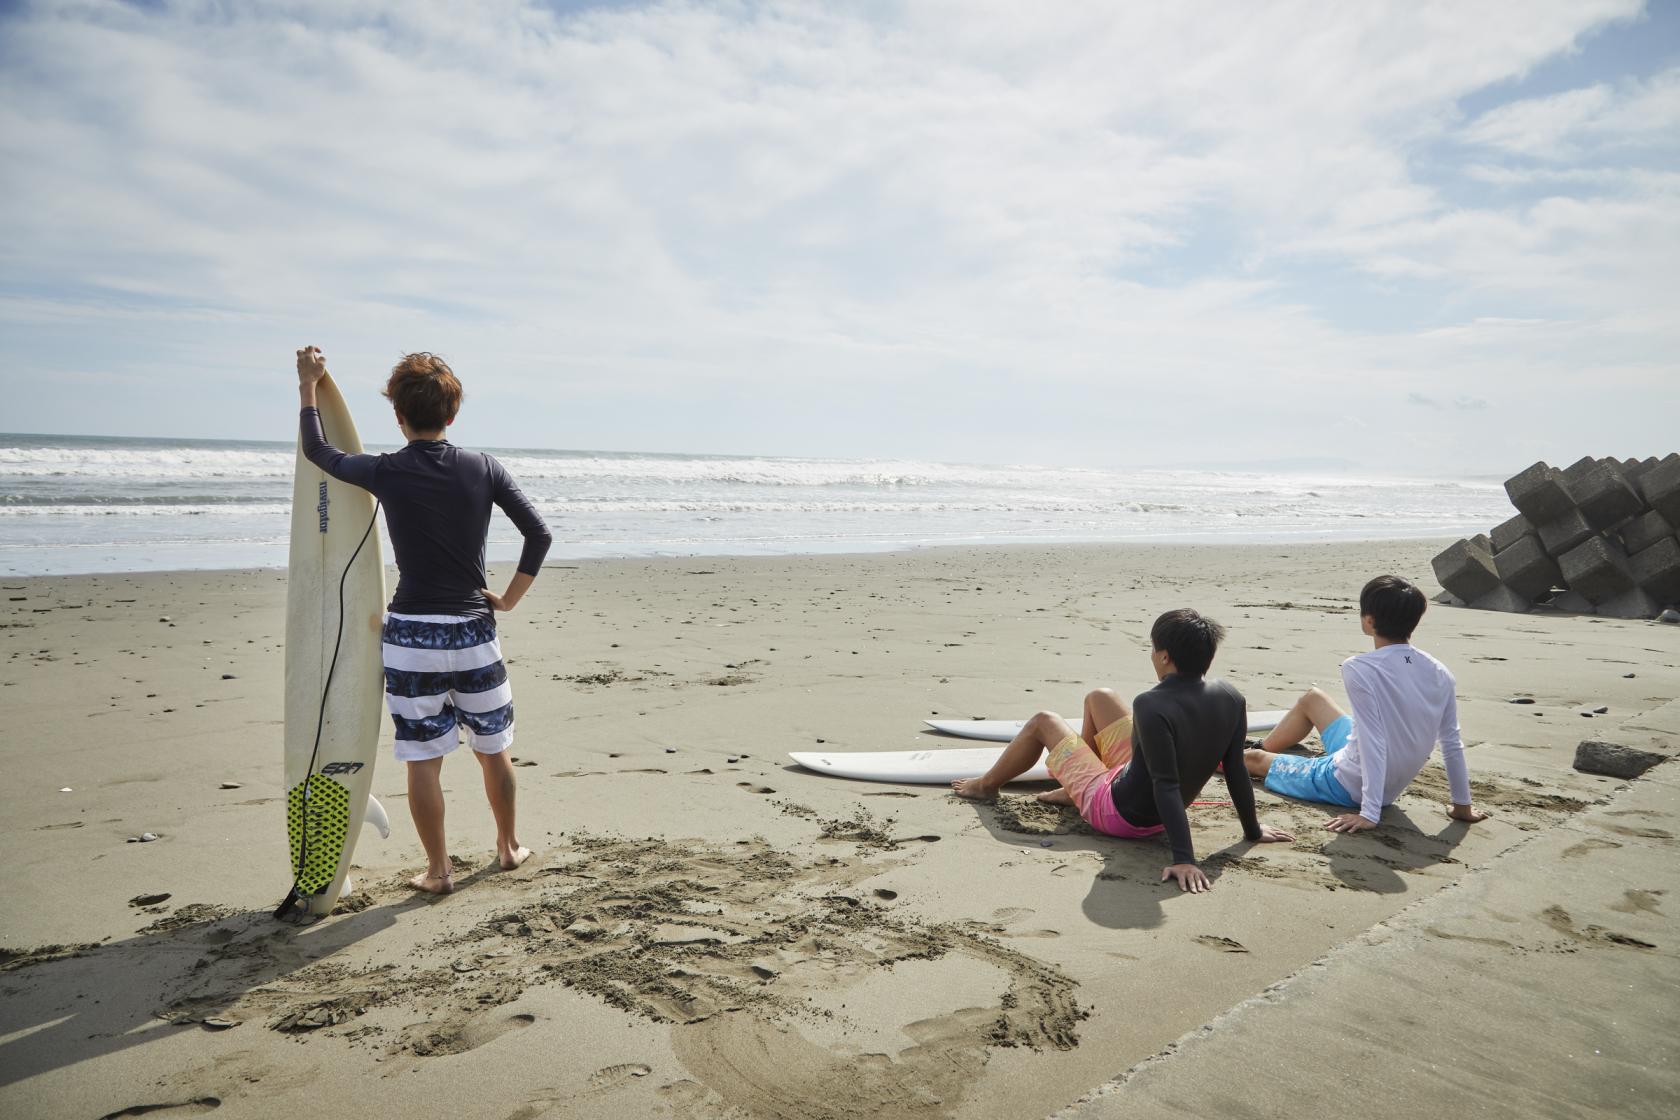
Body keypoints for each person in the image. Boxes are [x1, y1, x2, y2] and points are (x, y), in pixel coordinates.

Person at [296, 346, 552, 894]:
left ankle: (438, 872)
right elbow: (540, 534)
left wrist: (309, 386)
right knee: (493, 747)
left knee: (422, 758)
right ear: (453, 414)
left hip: (412, 636)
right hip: (473, 632)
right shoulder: (484, 469)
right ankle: (508, 849)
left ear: (398, 416)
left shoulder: (386, 472)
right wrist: (507, 598)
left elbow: (319, 451)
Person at [953, 609, 1295, 892]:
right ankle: (1073, 788)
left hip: (1119, 813)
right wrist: (1252, 830)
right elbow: (1235, 768)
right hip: (1147, 797)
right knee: (1099, 696)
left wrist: (1184, 858)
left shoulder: (1152, 703)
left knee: (1044, 720)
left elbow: (1165, 783)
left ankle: (986, 786)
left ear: (1163, 656)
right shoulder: (1231, 696)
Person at [1243, 574, 1489, 833]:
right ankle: (1266, 745)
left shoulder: (1360, 668)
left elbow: (1373, 740)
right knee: (1313, 698)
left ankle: (1236, 755)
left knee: (1252, 760)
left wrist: (1369, 813)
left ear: (1369, 620)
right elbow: (1451, 742)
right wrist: (1462, 806)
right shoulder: (1440, 670)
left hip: (1346, 784)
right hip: (1376, 773)